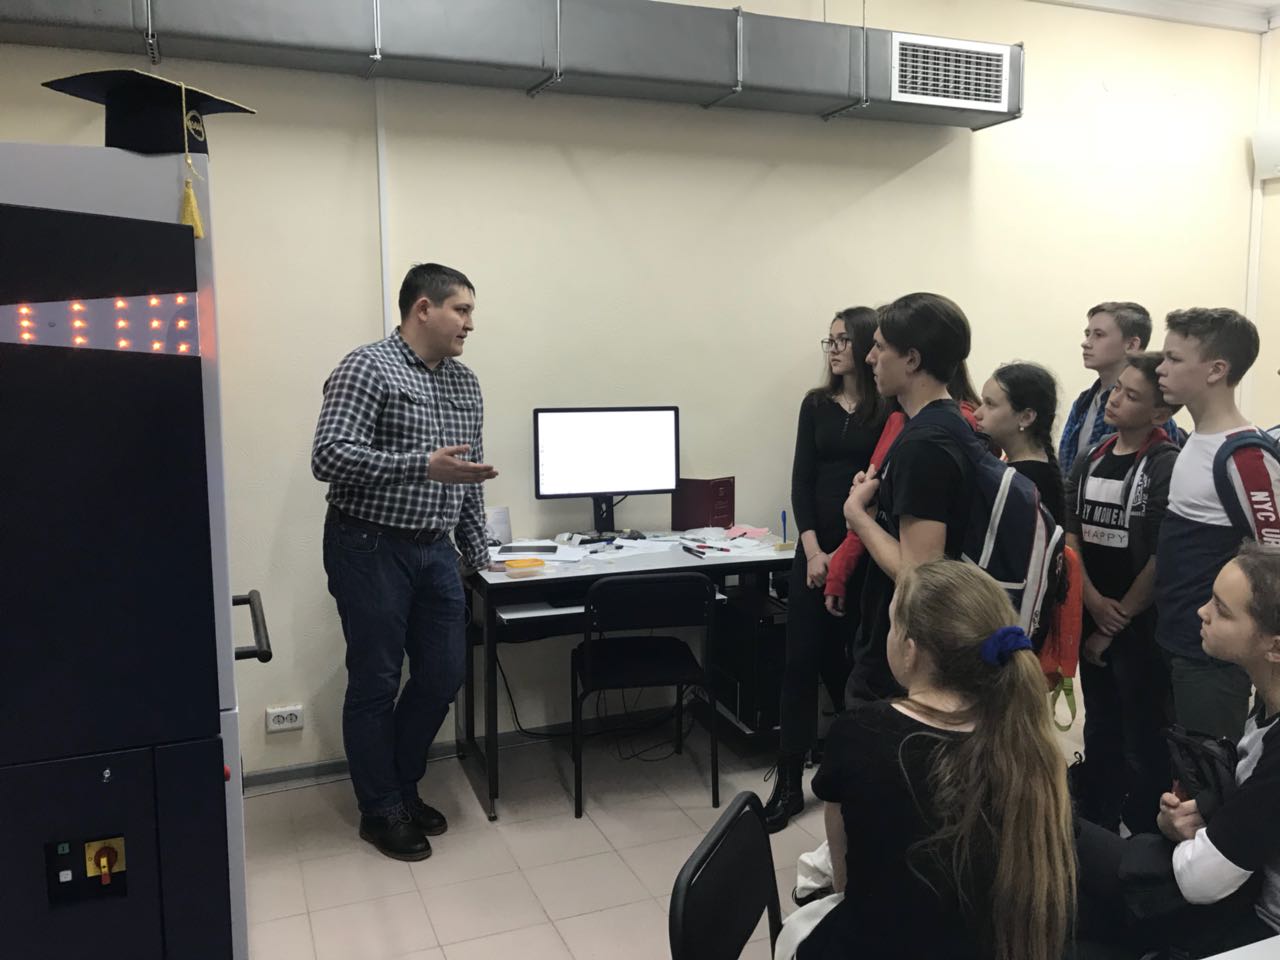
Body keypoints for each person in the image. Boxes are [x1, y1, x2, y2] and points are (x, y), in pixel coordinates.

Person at [798, 559, 1075, 960]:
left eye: (892, 624)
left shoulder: (858, 733)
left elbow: (845, 881)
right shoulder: (1029, 746)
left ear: (910, 652)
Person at [311, 262, 497, 861]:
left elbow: (468, 478)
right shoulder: (367, 366)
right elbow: (328, 456)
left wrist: (480, 554)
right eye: (461, 310)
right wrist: (421, 464)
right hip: (369, 546)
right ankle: (382, 809)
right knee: (376, 681)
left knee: (444, 674)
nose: (470, 323)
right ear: (423, 308)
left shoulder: (465, 384)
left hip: (436, 549)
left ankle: (399, 783)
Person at [1075, 542, 1280, 958]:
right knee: (1068, 843)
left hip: (1257, 926)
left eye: (1222, 610)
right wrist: (1206, 821)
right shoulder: (1267, 703)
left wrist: (1190, 835)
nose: (1202, 612)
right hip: (1236, 890)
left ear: (1274, 647)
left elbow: (1200, 879)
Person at [764, 308, 885, 833]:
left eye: (841, 340)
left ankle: (853, 770)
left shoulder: (887, 411)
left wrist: (843, 554)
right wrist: (814, 552)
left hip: (865, 552)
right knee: (800, 663)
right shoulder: (815, 405)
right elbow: (802, 482)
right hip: (813, 551)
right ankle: (789, 782)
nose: (833, 349)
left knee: (853, 666)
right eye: (829, 341)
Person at [841, 293, 977, 702]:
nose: (869, 358)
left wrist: (857, 516)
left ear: (912, 360)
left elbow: (919, 572)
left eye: (880, 347)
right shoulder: (942, 425)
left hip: (909, 653)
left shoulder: (925, 444)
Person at [1065, 353, 1180, 835]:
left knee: (1143, 728)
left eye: (1132, 396)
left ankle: (1144, 827)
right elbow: (1072, 532)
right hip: (1093, 607)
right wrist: (1092, 600)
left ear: (1160, 413)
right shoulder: (1092, 456)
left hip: (1138, 623)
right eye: (1118, 389)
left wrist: (1119, 618)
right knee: (1100, 720)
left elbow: (1160, 554)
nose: (1115, 399)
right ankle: (1098, 813)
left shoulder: (1165, 464)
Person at [1155, 307, 1279, 741]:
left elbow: (1273, 561)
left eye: (1174, 358)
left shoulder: (1244, 454)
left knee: (1208, 765)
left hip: (1212, 657)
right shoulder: (1196, 440)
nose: (1161, 368)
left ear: (1216, 370)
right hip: (1177, 635)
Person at [1059, 302, 1181, 475]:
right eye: (1087, 334)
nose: (1086, 343)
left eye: (1099, 335)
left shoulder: (1152, 411)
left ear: (1131, 345)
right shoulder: (1083, 403)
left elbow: (1162, 474)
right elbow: (1068, 470)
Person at [974, 361, 1066, 524]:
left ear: (1026, 417)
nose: (977, 413)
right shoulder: (1026, 470)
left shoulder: (1026, 481)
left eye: (990, 404)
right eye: (983, 402)